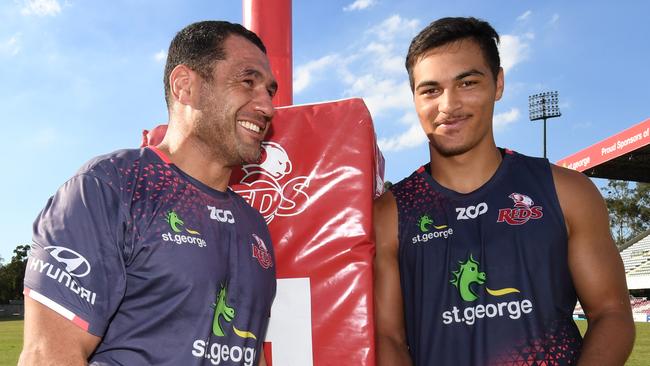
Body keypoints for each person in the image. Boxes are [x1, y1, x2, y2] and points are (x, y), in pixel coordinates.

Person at [374, 17, 635, 365]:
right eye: (431, 90)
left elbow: (611, 314)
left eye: (467, 82)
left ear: (498, 84)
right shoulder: (390, 212)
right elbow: (387, 337)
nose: (448, 105)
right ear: (415, 98)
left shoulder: (567, 191)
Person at [19, 20, 278, 366]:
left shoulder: (254, 224)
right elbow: (48, 356)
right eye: (248, 83)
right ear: (185, 86)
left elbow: (248, 351)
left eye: (269, 91)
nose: (267, 108)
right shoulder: (111, 187)